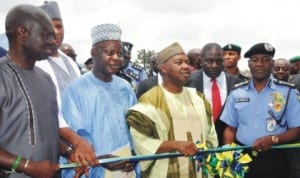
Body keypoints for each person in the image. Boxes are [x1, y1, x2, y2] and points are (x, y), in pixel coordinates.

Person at [127, 42, 218, 178]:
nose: (186, 66)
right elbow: (141, 141)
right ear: (163, 68)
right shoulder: (150, 100)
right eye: (179, 63)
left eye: (187, 62)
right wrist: (175, 145)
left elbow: (211, 136)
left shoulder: (198, 98)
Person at [60, 23, 138, 177]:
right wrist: (101, 160)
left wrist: (134, 154)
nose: (116, 58)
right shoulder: (75, 90)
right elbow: (73, 140)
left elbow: (135, 129)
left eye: (119, 53)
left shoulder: (125, 87)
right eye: (109, 53)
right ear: (94, 52)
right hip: (95, 170)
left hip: (126, 169)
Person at [0, 4, 62, 177]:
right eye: (46, 35)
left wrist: (71, 152)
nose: (52, 41)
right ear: (22, 33)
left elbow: (48, 134)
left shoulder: (46, 78)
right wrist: (27, 166)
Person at [220, 42, 300, 178]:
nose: (259, 64)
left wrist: (273, 139)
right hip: (243, 157)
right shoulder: (236, 92)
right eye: (255, 60)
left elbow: (296, 129)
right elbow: (230, 129)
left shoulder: (288, 92)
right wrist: (230, 155)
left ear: (272, 63)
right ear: (249, 64)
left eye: (265, 60)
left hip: (276, 158)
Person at [37, 0, 97, 169]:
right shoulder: (37, 63)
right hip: (57, 145)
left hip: (81, 142)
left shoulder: (69, 62)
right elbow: (49, 114)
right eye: (49, 27)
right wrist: (75, 143)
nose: (56, 32)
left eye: (59, 26)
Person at [185, 43, 241, 145]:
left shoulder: (237, 84)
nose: (214, 65)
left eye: (219, 61)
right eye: (209, 61)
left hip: (229, 147)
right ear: (201, 60)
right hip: (196, 147)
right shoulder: (187, 82)